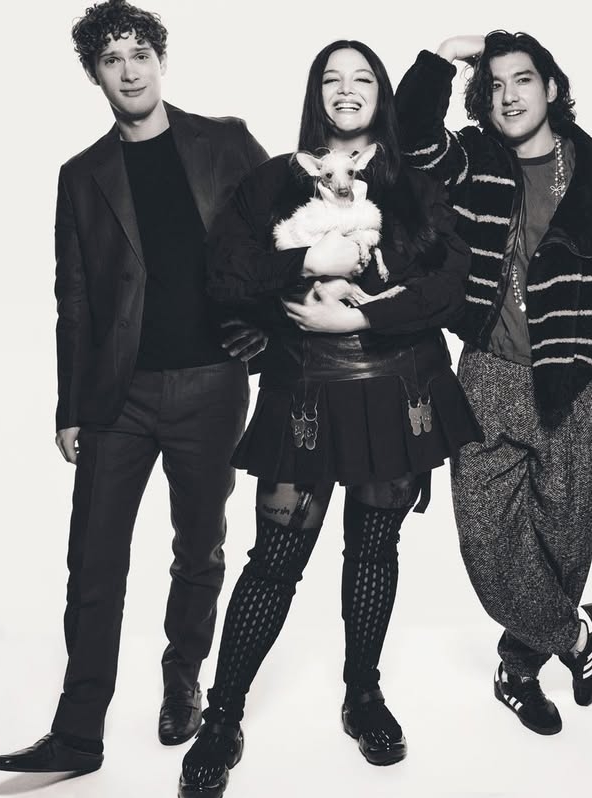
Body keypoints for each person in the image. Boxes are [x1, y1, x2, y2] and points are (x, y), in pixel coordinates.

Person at [175, 39, 480, 797]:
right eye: (332, 78)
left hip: (394, 387)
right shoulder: (275, 179)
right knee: (276, 559)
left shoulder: (412, 179)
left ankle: (363, 695)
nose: (348, 89)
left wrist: (362, 320)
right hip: (305, 392)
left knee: (374, 549)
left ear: (381, 92)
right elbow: (223, 274)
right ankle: (222, 716)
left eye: (362, 77)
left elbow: (451, 282)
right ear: (316, 93)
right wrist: (308, 265)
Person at [0, 0, 268, 776]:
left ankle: (184, 681)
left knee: (199, 547)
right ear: (96, 75)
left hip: (211, 383)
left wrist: (269, 330)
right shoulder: (81, 176)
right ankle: (79, 731)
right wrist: (70, 407)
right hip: (120, 396)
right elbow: (73, 298)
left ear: (161, 60)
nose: (129, 70)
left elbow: (288, 231)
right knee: (94, 560)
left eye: (140, 53)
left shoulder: (225, 142)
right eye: (112, 59)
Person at [395, 31, 592, 735]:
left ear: (552, 88)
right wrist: (446, 54)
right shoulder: (476, 158)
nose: (508, 96)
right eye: (497, 84)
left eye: (523, 80)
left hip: (578, 383)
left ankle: (519, 669)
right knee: (487, 542)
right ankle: (576, 636)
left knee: (562, 546)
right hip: (489, 373)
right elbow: (410, 134)